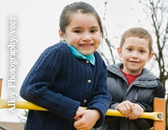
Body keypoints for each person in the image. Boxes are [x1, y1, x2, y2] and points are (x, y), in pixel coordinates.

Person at [19, 2, 111, 130]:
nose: (87, 37)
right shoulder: (58, 53)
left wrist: (95, 112)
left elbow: (102, 94)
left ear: (100, 33)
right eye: (78, 31)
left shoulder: (98, 61)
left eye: (93, 31)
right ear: (62, 34)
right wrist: (71, 108)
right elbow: (30, 89)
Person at [95, 27, 165, 130]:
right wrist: (115, 107)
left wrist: (142, 110)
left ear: (149, 56)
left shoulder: (155, 86)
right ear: (120, 51)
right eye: (130, 49)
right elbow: (91, 104)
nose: (134, 55)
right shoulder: (102, 75)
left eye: (141, 51)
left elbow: (155, 119)